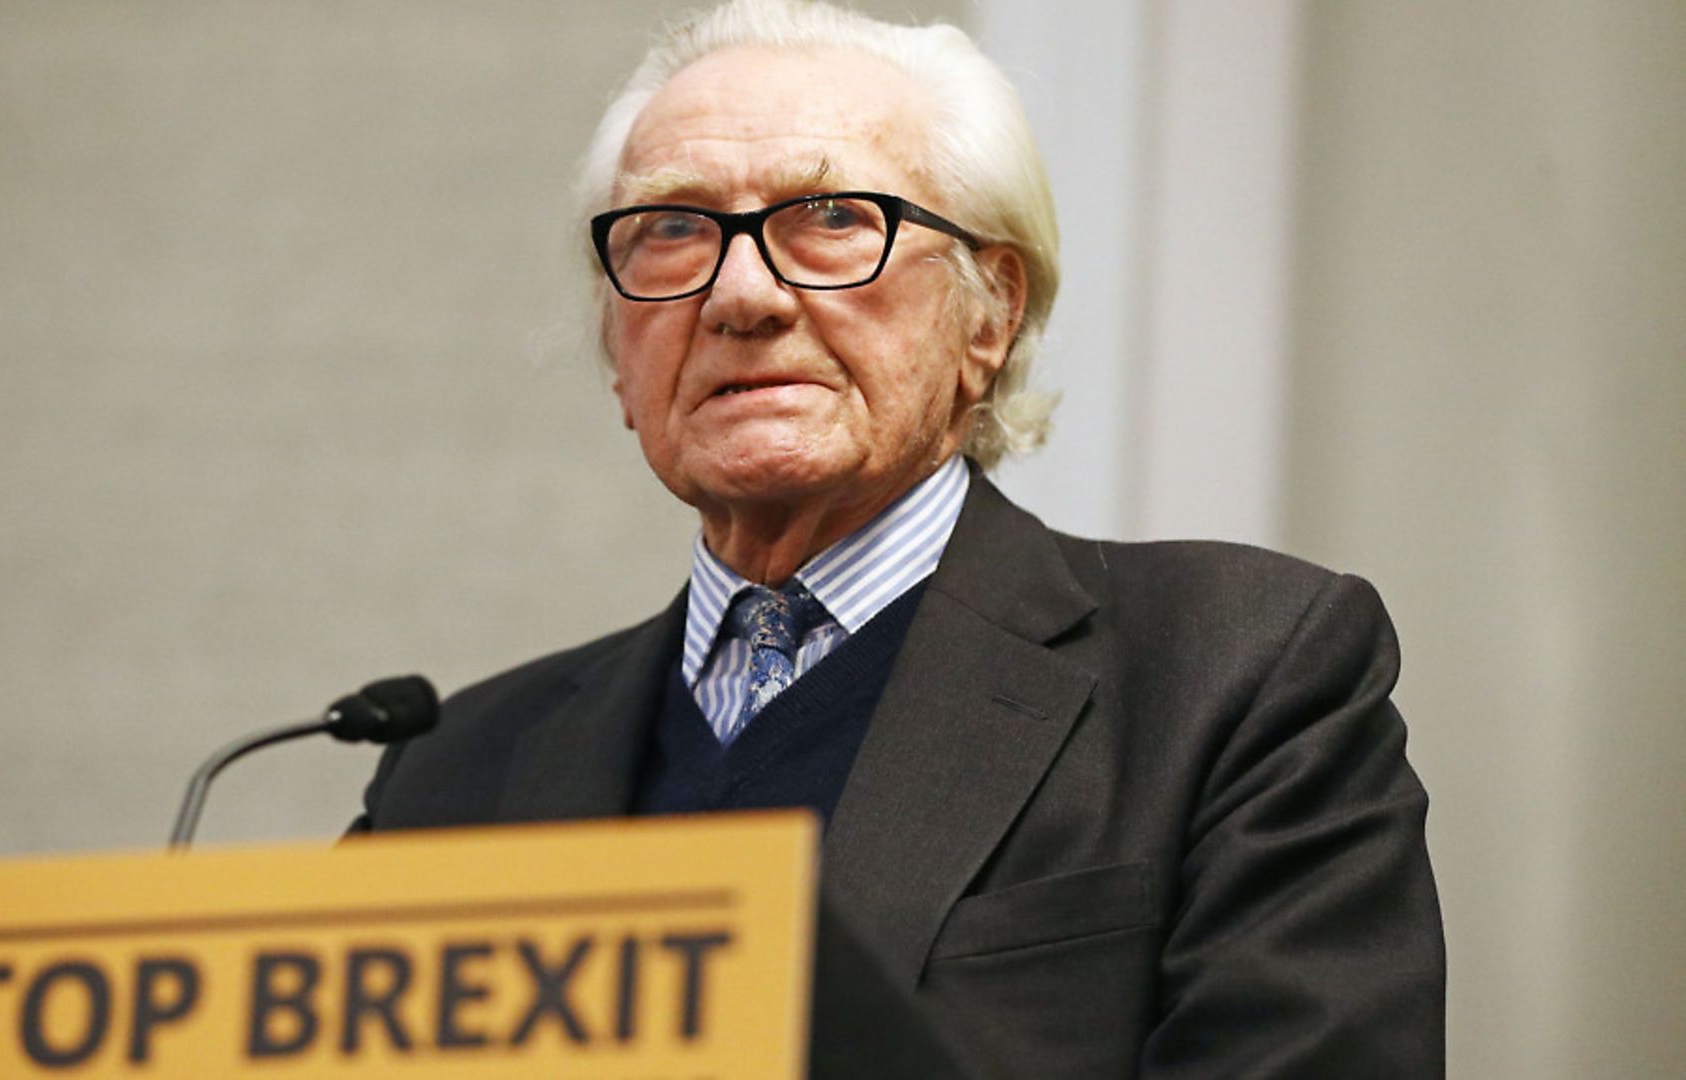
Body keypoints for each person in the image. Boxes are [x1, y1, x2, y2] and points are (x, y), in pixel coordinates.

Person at [354, 1, 1445, 1074]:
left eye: (832, 218)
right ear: (618, 349)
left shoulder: (1235, 674)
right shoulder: (451, 772)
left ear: (990, 313)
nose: (741, 294)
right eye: (673, 229)